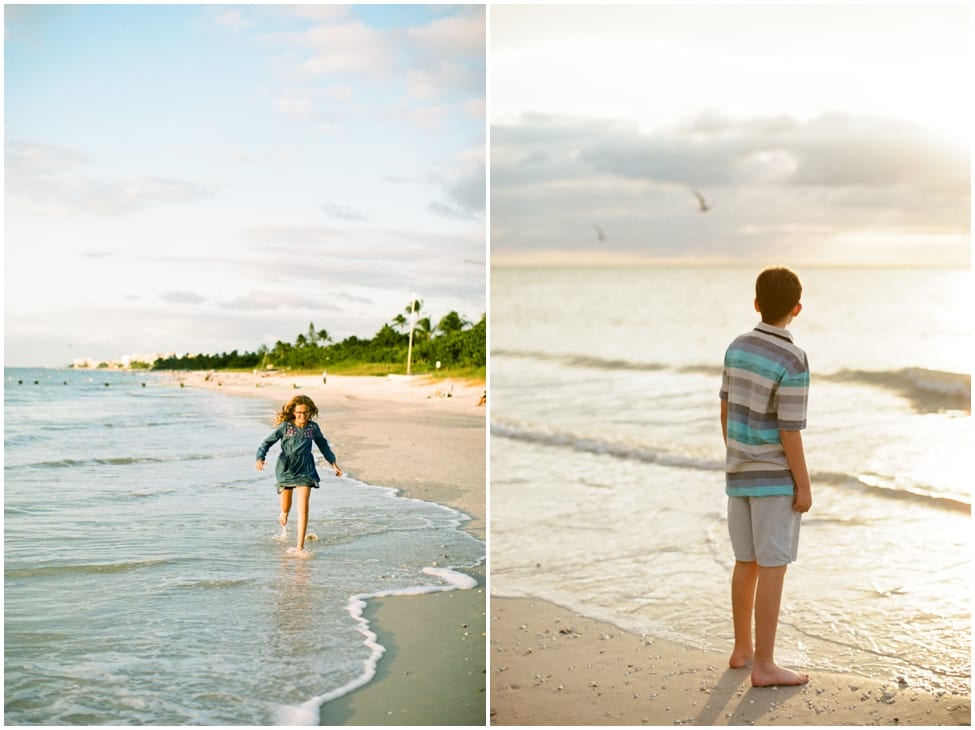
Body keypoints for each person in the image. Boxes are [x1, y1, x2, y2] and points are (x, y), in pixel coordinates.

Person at [719, 266, 811, 687]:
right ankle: (766, 665)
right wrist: (803, 484)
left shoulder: (736, 348)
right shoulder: (793, 358)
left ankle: (743, 649)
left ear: (756, 304)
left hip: (739, 473)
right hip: (774, 479)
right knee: (773, 565)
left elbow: (725, 409)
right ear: (797, 309)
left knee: (746, 561)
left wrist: (736, 453)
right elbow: (789, 428)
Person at [256, 395, 343, 557]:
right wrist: (260, 457)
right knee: (286, 507)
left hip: (305, 468)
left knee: (303, 508)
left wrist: (333, 463)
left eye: (305, 413)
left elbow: (323, 445)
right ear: (294, 412)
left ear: (310, 412)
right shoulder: (285, 427)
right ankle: (284, 513)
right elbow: (266, 443)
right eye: (299, 413)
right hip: (286, 467)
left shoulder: (313, 428)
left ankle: (300, 546)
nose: (302, 416)